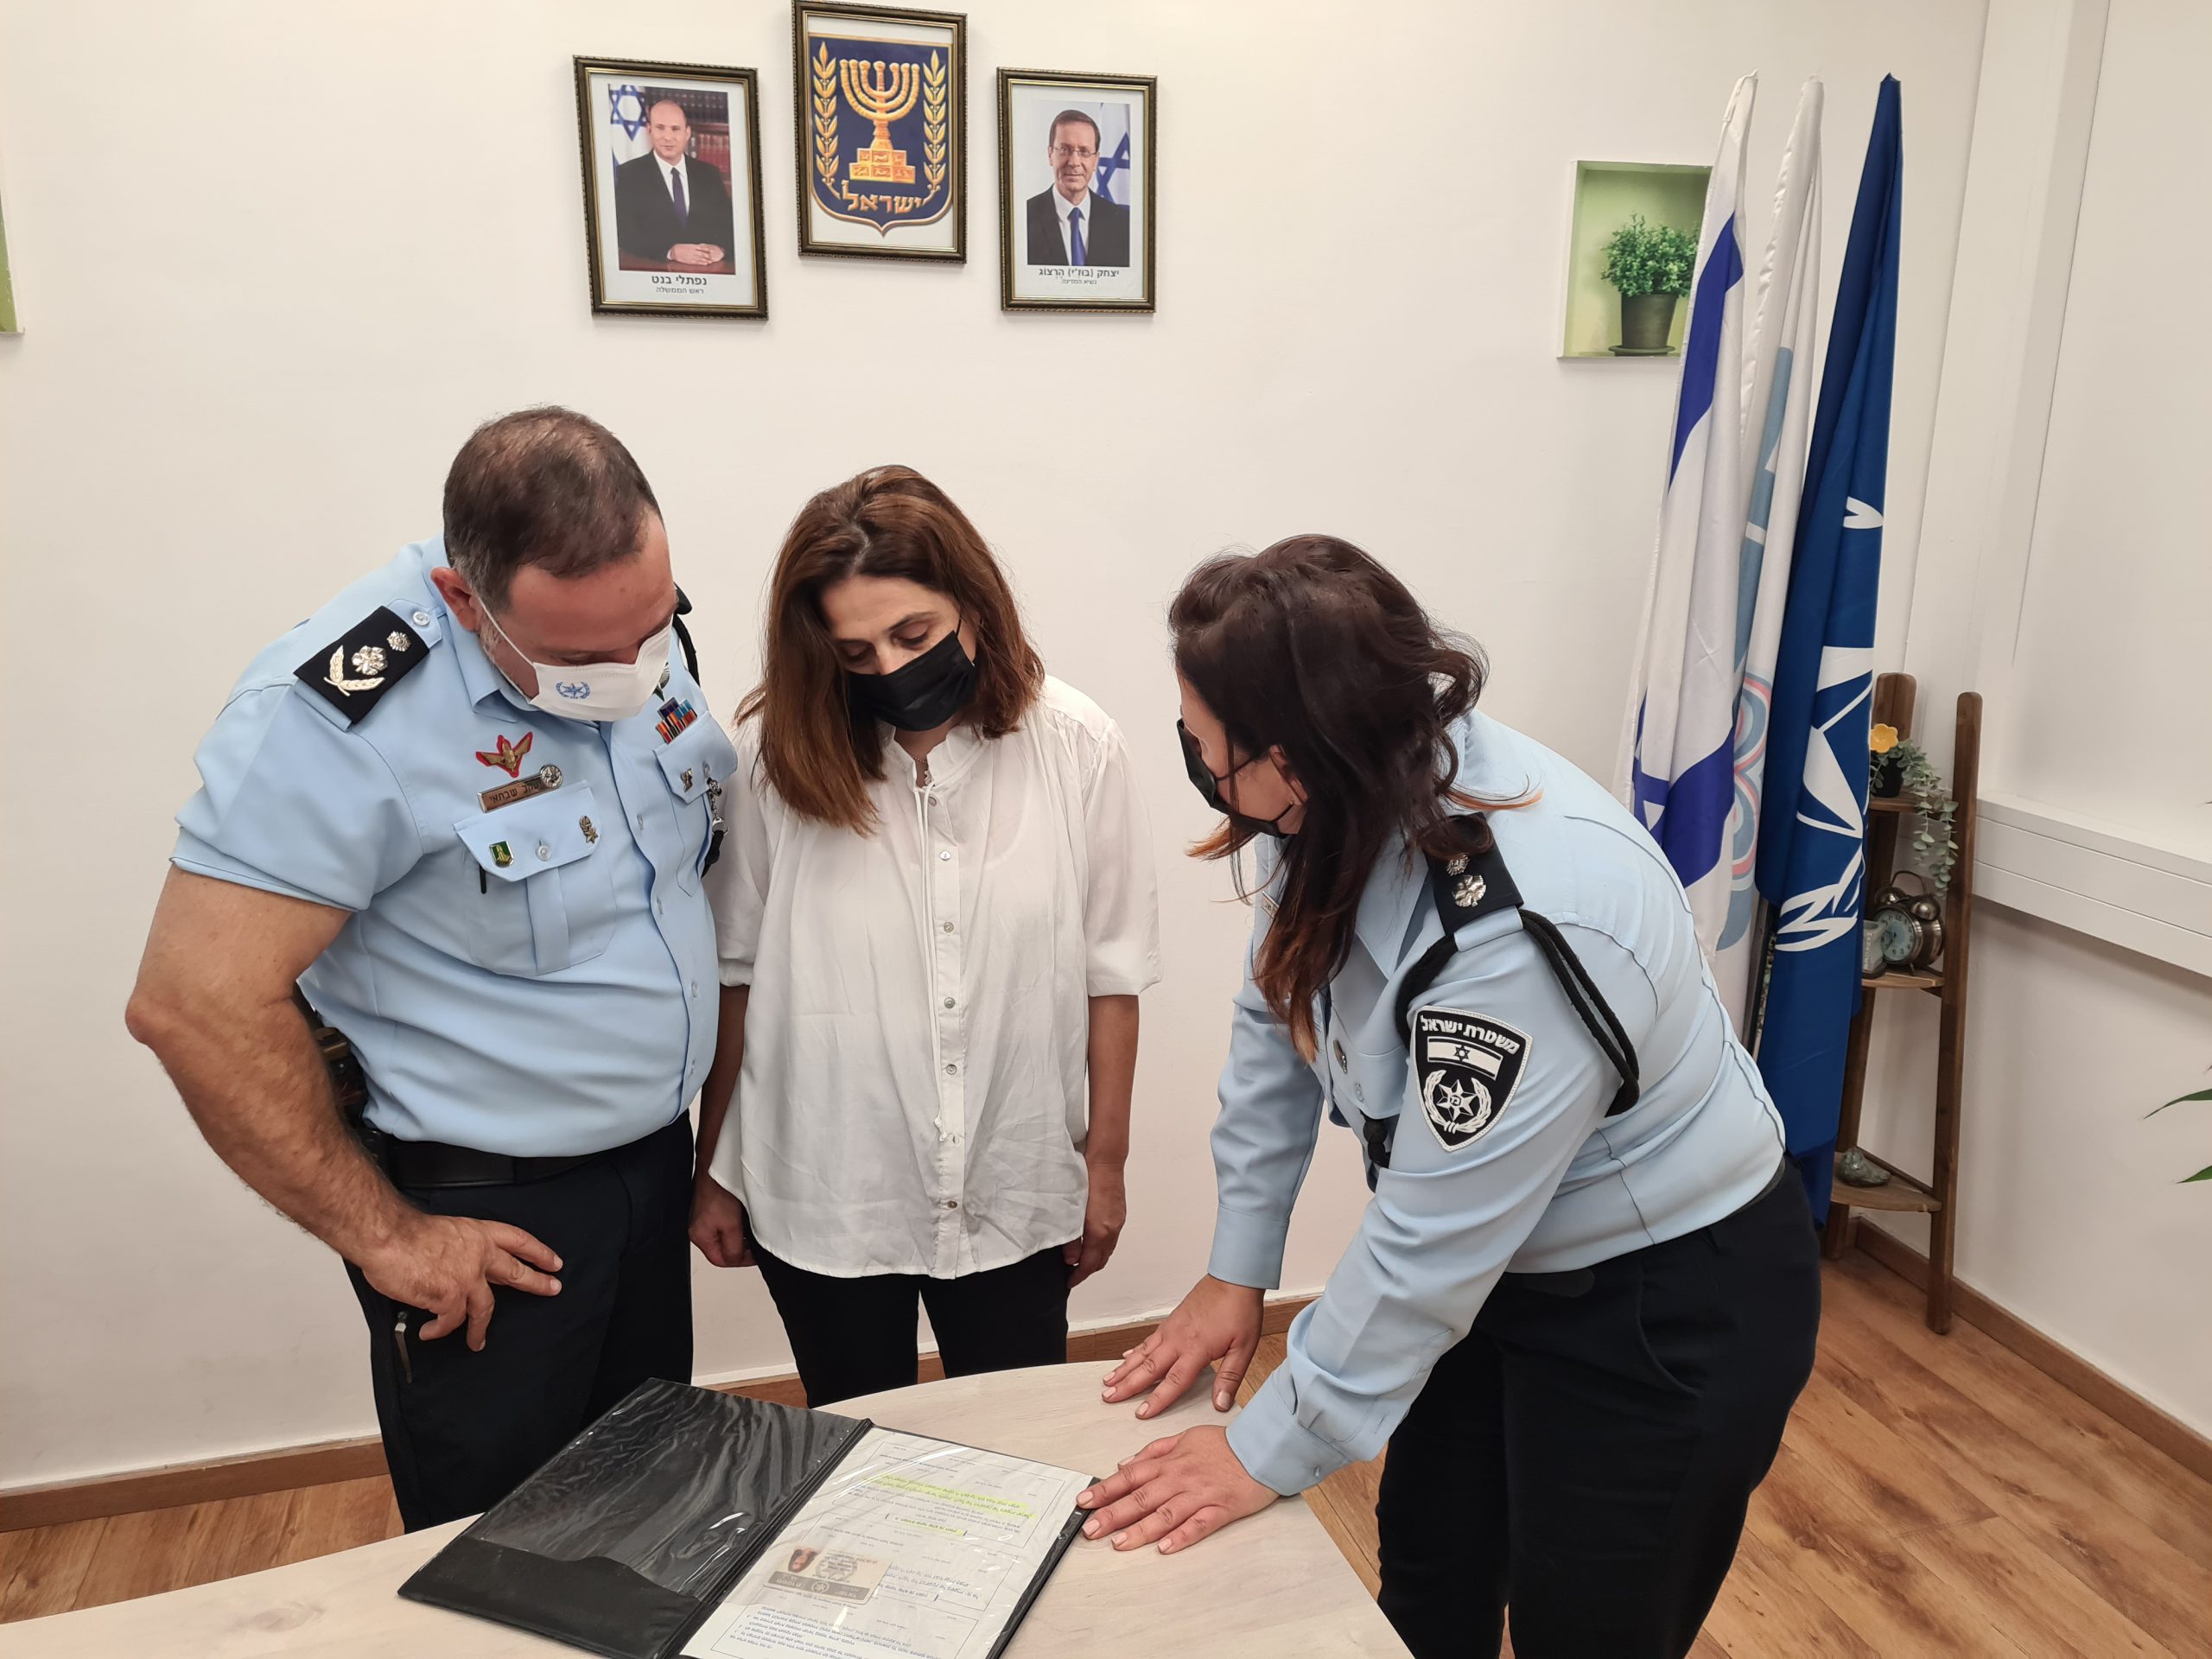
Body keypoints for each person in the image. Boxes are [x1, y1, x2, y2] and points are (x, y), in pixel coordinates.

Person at [1077, 537, 1821, 1659]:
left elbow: (1431, 1240)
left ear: (1288, 754)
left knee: (1590, 1629)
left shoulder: (1523, 927)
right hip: (1497, 1270)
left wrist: (1260, 1449)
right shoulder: (1334, 795)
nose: (1196, 760)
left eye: (1203, 744)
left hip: (1659, 1300)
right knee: (1432, 1580)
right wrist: (1239, 1266)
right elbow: (1277, 1022)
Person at [124, 408, 740, 1531]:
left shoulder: (627, 629)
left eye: (650, 631)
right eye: (581, 659)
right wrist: (386, 1237)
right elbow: (192, 1003)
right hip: (491, 1222)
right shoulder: (340, 718)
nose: (632, 673)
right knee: (500, 1552)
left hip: (650, 1172)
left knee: (652, 1514)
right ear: (464, 599)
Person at [689, 465, 1158, 1405]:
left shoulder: (1077, 746)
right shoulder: (773, 758)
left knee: (1019, 1448)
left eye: (914, 635)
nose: (890, 669)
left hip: (1017, 1187)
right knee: (853, 1448)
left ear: (973, 605)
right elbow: (735, 974)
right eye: (855, 653)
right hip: (824, 1190)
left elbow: (1111, 976)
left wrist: (1103, 1168)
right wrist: (712, 1170)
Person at [614, 98, 737, 267]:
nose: (668, 137)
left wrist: (721, 249)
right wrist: (671, 251)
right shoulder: (630, 173)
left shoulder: (709, 174)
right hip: (656, 272)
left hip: (708, 271)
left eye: (675, 129)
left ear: (687, 133)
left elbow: (731, 227)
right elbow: (624, 234)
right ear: (649, 130)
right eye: (660, 128)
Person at [1024, 110, 1130, 268]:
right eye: (1065, 149)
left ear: (1096, 160)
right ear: (1050, 155)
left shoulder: (1123, 224)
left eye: (1084, 152)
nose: (1074, 162)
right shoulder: (1023, 218)